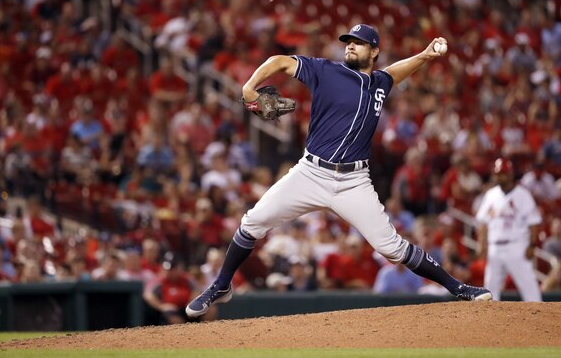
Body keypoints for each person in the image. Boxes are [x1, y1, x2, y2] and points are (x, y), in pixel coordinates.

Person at [185, 24, 491, 318]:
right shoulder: (326, 70)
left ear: (374, 51)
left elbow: (395, 73)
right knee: (253, 222)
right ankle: (221, 284)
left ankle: (457, 287)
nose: (351, 46)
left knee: (391, 247)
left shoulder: (379, 82)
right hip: (310, 173)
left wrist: (425, 56)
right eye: (348, 42)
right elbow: (279, 61)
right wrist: (250, 86)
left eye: (358, 43)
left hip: (354, 181)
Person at [476, 158, 542, 302]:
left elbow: (533, 223)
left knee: (529, 287)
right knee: (490, 289)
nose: (499, 177)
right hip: (494, 247)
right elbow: (483, 223)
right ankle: (491, 322)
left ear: (511, 174)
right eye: (497, 174)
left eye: (503, 174)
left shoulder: (523, 195)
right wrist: (482, 243)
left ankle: (540, 319)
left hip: (516, 246)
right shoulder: (491, 195)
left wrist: (531, 245)